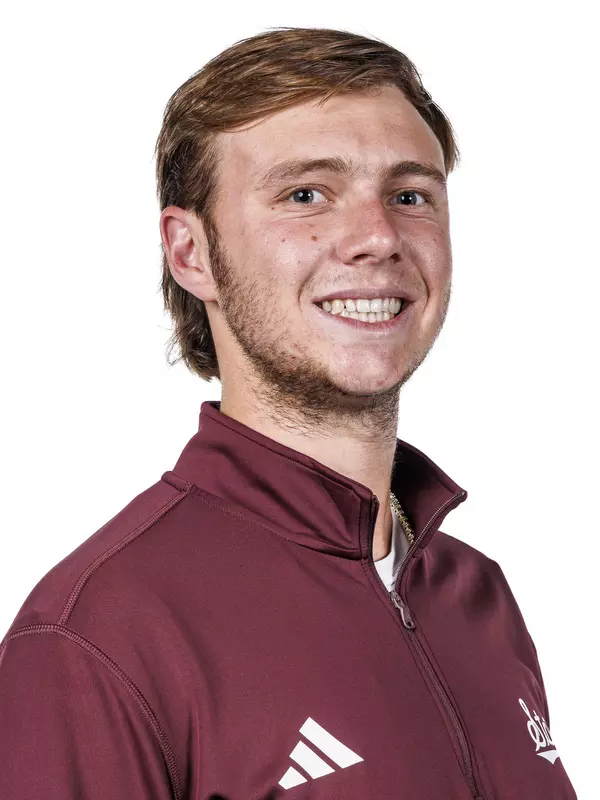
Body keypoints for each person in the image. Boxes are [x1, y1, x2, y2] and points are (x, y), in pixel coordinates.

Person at [0, 26, 576, 800]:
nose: (377, 236)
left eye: (410, 195)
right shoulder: (99, 635)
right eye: (306, 194)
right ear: (190, 253)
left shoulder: (479, 597)